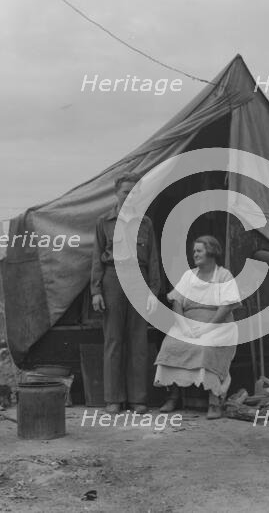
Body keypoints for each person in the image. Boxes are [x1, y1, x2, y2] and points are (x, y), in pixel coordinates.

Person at [91, 173, 161, 413]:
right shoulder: (104, 222)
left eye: (134, 191)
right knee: (113, 340)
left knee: (138, 341)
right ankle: (113, 398)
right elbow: (96, 258)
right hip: (113, 279)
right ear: (116, 193)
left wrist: (153, 291)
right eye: (125, 191)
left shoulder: (146, 223)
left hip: (139, 279)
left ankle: (138, 399)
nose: (129, 195)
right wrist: (96, 291)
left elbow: (153, 259)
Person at [154, 235, 241, 419]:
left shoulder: (224, 275)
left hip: (218, 324)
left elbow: (226, 307)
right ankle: (173, 395)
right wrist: (184, 326)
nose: (195, 254)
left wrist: (207, 328)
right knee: (171, 345)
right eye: (194, 251)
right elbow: (177, 301)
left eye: (199, 251)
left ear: (211, 252)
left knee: (206, 347)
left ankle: (214, 399)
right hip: (189, 322)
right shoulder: (189, 276)